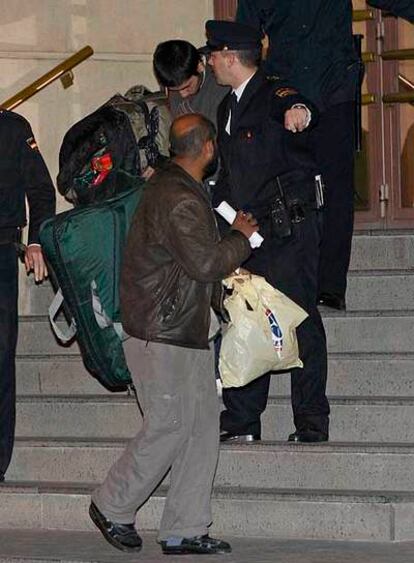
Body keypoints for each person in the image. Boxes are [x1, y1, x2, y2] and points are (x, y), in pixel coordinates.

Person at [89, 113, 257, 555]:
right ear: (207, 148)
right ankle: (112, 504)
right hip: (161, 333)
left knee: (201, 427)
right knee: (169, 425)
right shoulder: (178, 196)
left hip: (186, 329)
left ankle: (185, 527)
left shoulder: (174, 188)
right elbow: (204, 263)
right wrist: (241, 237)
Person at [237, 0, 414, 310]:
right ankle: (296, 276)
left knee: (337, 184)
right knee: (287, 186)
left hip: (335, 85)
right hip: (285, 90)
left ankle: (330, 284)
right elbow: (246, 34)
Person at [206, 19, 330, 444]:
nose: (208, 62)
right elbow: (229, 177)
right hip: (250, 232)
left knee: (300, 319)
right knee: (246, 319)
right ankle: (242, 419)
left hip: (289, 230)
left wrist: (301, 113)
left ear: (227, 56)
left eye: (212, 55)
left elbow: (294, 105)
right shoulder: (227, 107)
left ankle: (311, 420)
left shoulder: (273, 90)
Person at [0, 110, 56, 482]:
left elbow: (40, 189)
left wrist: (35, 240)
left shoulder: (12, 128)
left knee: (1, 356)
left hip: (2, 248)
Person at [153, 39, 229, 126]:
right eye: (174, 90)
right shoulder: (169, 74)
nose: (183, 95)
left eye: (187, 87)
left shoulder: (222, 83)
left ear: (200, 66)